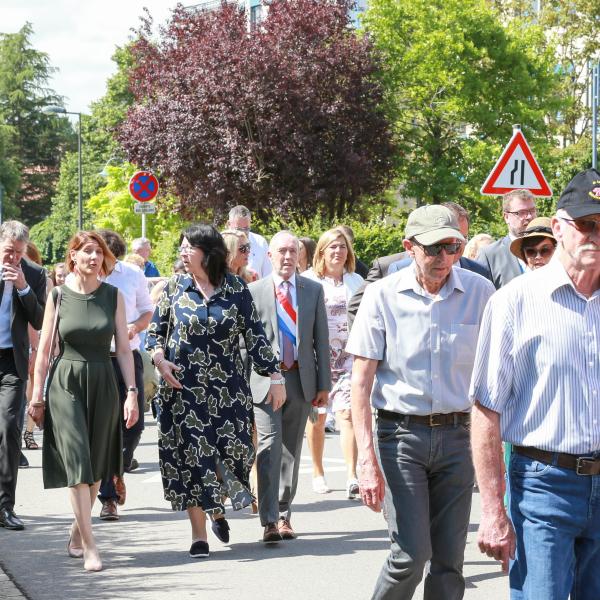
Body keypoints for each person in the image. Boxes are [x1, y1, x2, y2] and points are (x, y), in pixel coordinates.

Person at [347, 205, 494, 599]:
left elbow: (498, 371)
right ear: (409, 247)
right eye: (434, 249)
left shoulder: (480, 293)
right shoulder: (382, 295)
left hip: (458, 437)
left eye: (453, 247)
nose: (444, 259)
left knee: (449, 563)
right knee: (410, 555)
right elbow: (360, 384)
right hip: (401, 436)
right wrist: (366, 459)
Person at [469, 168, 600, 600]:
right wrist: (492, 509)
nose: (595, 236)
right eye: (587, 225)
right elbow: (487, 408)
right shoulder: (515, 301)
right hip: (545, 483)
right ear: (559, 227)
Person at [146, 224, 283, 559]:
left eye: (187, 246)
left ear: (207, 253)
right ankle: (199, 535)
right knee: (192, 459)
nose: (181, 250)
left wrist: (275, 376)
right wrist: (160, 359)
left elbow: (255, 336)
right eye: (181, 245)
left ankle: (217, 508)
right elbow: (154, 333)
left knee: (234, 455)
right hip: (183, 391)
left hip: (228, 392)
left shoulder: (236, 288)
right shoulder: (175, 288)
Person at [28, 230, 138, 572]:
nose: (94, 257)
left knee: (94, 469)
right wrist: (37, 395)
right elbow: (45, 349)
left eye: (98, 252)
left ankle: (78, 531)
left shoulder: (113, 296)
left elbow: (122, 348)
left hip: (104, 381)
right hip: (66, 383)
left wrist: (132, 392)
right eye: (87, 252)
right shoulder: (58, 295)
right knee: (78, 463)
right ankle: (91, 546)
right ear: (72, 257)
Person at [249, 230, 331, 543]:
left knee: (291, 451)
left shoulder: (312, 290)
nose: (287, 257)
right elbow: (245, 344)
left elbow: (320, 341)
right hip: (265, 380)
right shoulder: (254, 291)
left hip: (300, 379)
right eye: (281, 251)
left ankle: (284, 513)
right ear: (269, 256)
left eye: (292, 251)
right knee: (269, 445)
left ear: (300, 256)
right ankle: (269, 519)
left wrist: (323, 383)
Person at [94, 230, 154, 522]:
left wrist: (135, 328)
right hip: (97, 360)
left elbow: (147, 311)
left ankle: (118, 468)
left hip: (128, 357)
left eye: (103, 253)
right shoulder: (88, 275)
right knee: (105, 428)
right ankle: (108, 499)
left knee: (135, 425)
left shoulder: (132, 274)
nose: (98, 259)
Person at [303, 228, 363, 497]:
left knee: (348, 414)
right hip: (319, 360)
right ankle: (317, 472)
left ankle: (352, 475)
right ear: (322, 252)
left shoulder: (355, 280)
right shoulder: (308, 281)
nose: (338, 252)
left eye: (342, 247)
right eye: (332, 247)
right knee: (318, 418)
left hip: (349, 358)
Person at [0, 221, 46, 530]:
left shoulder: (34, 274)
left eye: (18, 253)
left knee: (9, 428)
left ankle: (5, 506)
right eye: (8, 252)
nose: (13, 259)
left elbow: (40, 317)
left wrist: (23, 288)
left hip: (11, 362)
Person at [476, 189, 538, 289]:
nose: (529, 216)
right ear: (506, 217)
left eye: (532, 211)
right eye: (521, 212)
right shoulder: (489, 255)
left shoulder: (550, 249)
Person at [227, 205, 272, 278]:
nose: (243, 233)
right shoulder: (220, 243)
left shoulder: (260, 243)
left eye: (246, 229)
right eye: (238, 229)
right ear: (229, 224)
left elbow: (268, 275)